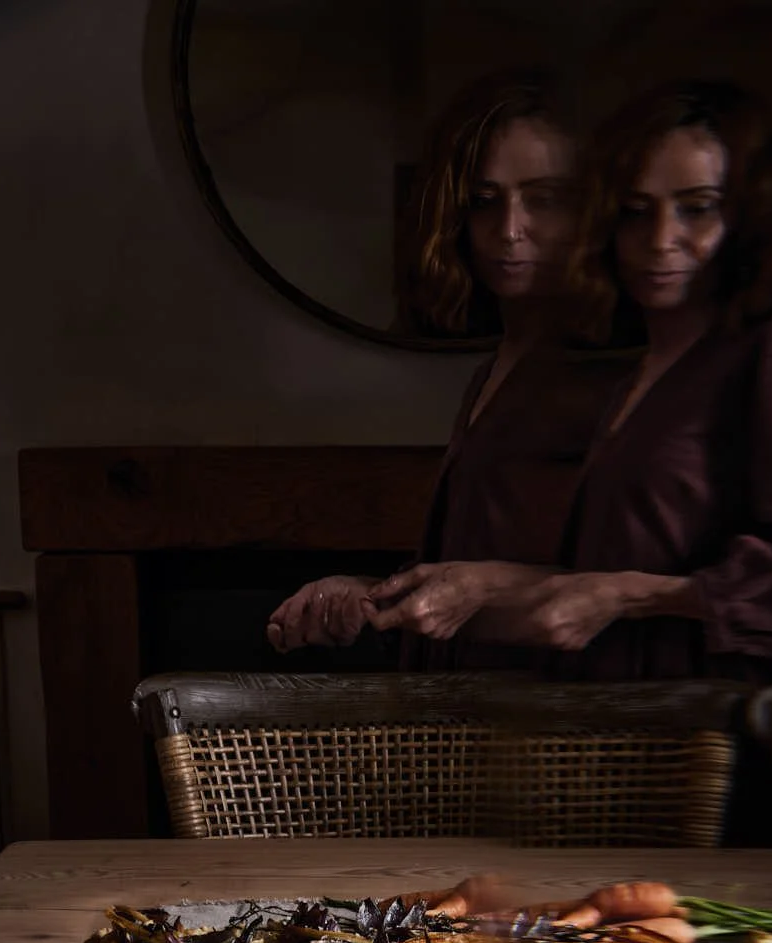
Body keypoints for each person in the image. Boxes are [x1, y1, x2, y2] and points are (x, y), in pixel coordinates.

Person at [361, 80, 772, 682]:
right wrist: (463, 584)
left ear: (751, 213)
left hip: (717, 731)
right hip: (612, 735)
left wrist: (633, 594)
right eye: (634, 211)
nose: (659, 240)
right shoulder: (645, 366)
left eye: (697, 208)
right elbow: (599, 576)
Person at [266, 68, 626, 669]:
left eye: (543, 199)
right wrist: (362, 592)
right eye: (485, 201)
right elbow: (467, 566)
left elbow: (630, 583)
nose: (509, 231)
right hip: (466, 713)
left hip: (565, 721)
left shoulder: (612, 370)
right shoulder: (495, 367)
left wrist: (481, 589)